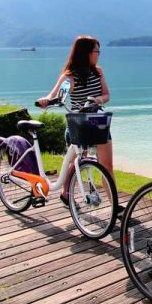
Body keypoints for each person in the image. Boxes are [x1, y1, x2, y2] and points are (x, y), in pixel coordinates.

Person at [37, 35, 118, 211]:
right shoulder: (70, 76)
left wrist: (98, 100)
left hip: (99, 123)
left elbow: (107, 95)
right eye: (97, 51)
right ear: (86, 53)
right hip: (78, 124)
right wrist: (46, 100)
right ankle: (66, 193)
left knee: (107, 166)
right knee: (76, 162)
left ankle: (115, 205)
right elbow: (55, 94)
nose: (99, 54)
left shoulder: (98, 71)